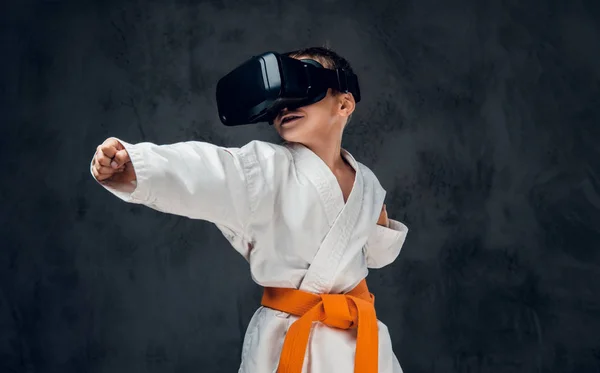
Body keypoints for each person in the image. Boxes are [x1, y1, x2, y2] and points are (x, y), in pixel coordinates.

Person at [91, 46, 409, 373]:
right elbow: (207, 171)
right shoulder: (263, 168)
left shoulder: (367, 183)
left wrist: (376, 219)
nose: (284, 105)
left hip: (360, 341)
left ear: (343, 103)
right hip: (288, 339)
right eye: (277, 101)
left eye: (299, 88)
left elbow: (374, 255)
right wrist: (136, 166)